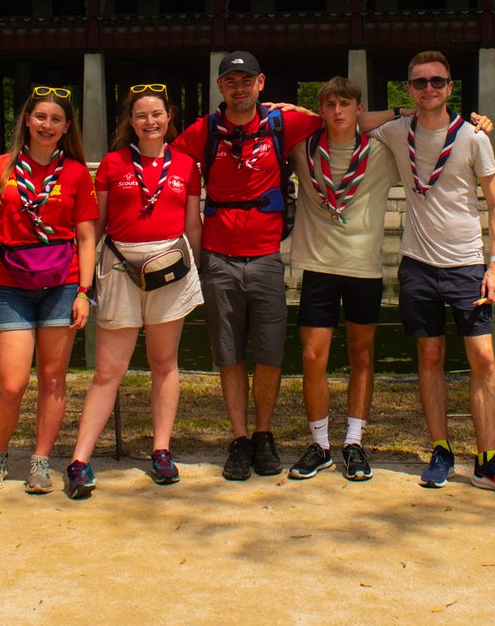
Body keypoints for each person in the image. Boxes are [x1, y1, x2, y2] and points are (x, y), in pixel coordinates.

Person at [371, 51, 495, 496]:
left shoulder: (473, 137)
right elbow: (355, 119)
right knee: (429, 358)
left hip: (467, 264)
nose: (429, 89)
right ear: (409, 89)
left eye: (437, 81)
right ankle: (441, 449)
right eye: (419, 83)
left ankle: (486, 459)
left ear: (450, 86)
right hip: (418, 263)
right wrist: (404, 111)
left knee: (483, 359)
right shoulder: (396, 130)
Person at [172, 52, 326, 480]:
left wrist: (411, 112)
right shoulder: (203, 132)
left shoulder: (280, 124)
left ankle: (263, 434)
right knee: (229, 353)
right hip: (218, 258)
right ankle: (239, 437)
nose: (239, 88)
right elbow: (161, 160)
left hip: (265, 258)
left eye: (247, 81)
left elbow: (343, 115)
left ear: (261, 83)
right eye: (230, 82)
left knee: (271, 353)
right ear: (221, 88)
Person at [65, 84, 203, 496]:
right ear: (131, 121)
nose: (150, 122)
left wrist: (196, 266)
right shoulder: (111, 163)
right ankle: (80, 459)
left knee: (165, 364)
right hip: (121, 266)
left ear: (169, 118)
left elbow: (192, 225)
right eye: (142, 115)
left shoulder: (186, 165)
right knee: (108, 371)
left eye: (157, 114)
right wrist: (84, 281)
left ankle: (161, 449)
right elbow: (96, 225)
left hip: (170, 268)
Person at [0, 86, 98, 495]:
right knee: (11, 383)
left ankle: (41, 460)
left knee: (53, 377)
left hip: (62, 284)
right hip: (10, 286)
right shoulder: (1, 168)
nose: (47, 125)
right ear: (26, 119)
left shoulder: (77, 173)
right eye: (40, 117)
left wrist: (84, 291)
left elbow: (86, 237)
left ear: (66, 127)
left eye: (56, 119)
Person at [286, 76, 401, 484]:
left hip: (363, 268)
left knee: (362, 357)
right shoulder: (303, 148)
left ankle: (353, 442)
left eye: (346, 104)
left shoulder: (383, 151)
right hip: (317, 266)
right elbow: (275, 114)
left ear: (358, 109)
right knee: (313, 358)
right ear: (321, 110)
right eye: (329, 104)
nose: (337, 111)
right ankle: (320, 445)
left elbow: (429, 123)